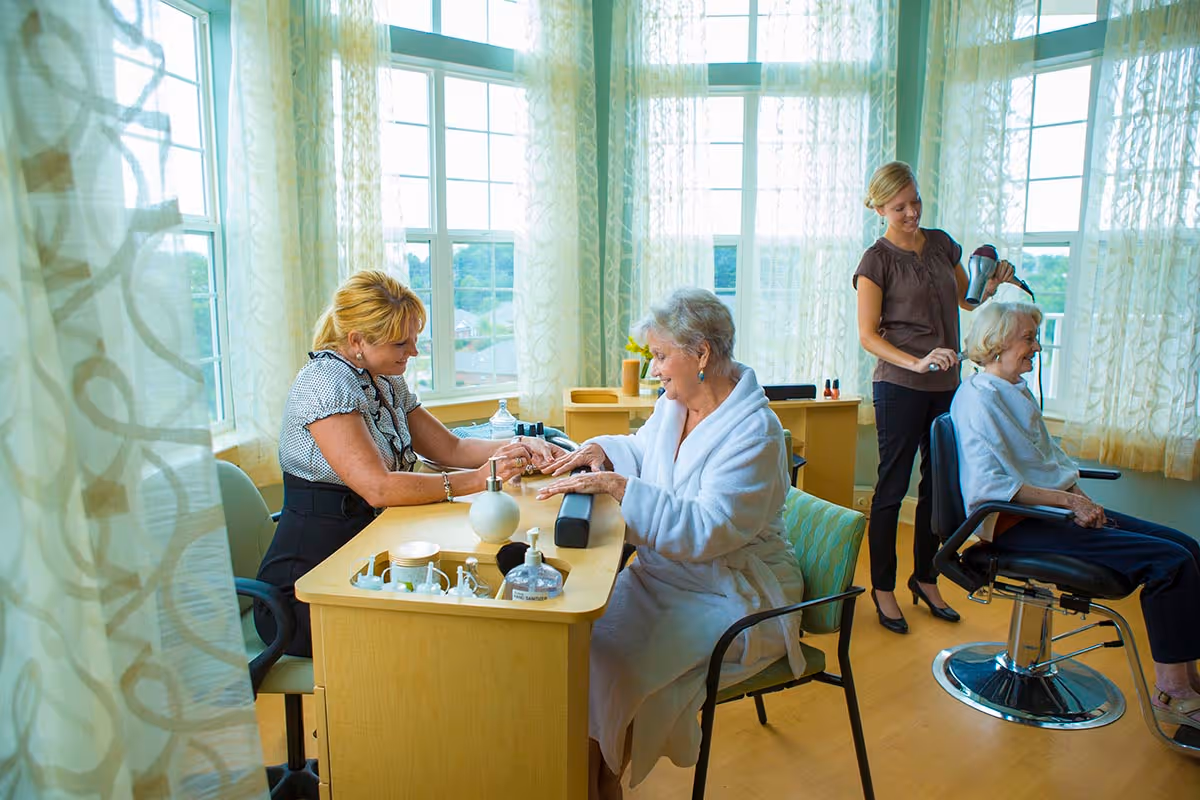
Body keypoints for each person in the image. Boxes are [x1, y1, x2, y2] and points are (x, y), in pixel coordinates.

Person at [537, 288, 805, 800]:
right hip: (665, 575)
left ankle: (602, 780)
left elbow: (708, 529)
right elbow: (643, 451)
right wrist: (603, 450)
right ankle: (587, 780)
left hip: (731, 590)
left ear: (701, 354)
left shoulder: (756, 433)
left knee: (616, 663)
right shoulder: (675, 403)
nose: (654, 369)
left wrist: (618, 488)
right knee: (582, 648)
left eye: (660, 356)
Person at [254, 270, 564, 657]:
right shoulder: (324, 384)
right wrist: (479, 480)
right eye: (401, 343)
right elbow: (378, 487)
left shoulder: (383, 379)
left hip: (365, 556)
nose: (413, 352)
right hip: (308, 587)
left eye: (414, 339)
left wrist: (518, 444)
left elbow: (449, 448)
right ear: (357, 341)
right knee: (436, 636)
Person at [951, 301, 1200, 734]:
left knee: (1188, 546)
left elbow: (1048, 461)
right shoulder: (978, 399)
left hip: (1049, 514)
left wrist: (1083, 499)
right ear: (996, 343)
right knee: (1170, 564)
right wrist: (1069, 503)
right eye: (1028, 338)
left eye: (1035, 337)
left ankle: (1189, 676)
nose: (1037, 347)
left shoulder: (1015, 391)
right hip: (1017, 525)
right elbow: (988, 488)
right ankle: (1173, 693)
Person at [853, 160, 1016, 634]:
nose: (911, 213)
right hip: (899, 385)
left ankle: (925, 578)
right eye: (899, 206)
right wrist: (916, 362)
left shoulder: (942, 244)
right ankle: (883, 588)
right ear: (880, 207)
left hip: (947, 385)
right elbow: (868, 336)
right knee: (891, 489)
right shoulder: (875, 260)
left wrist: (992, 283)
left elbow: (966, 302)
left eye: (915, 201)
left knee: (937, 487)